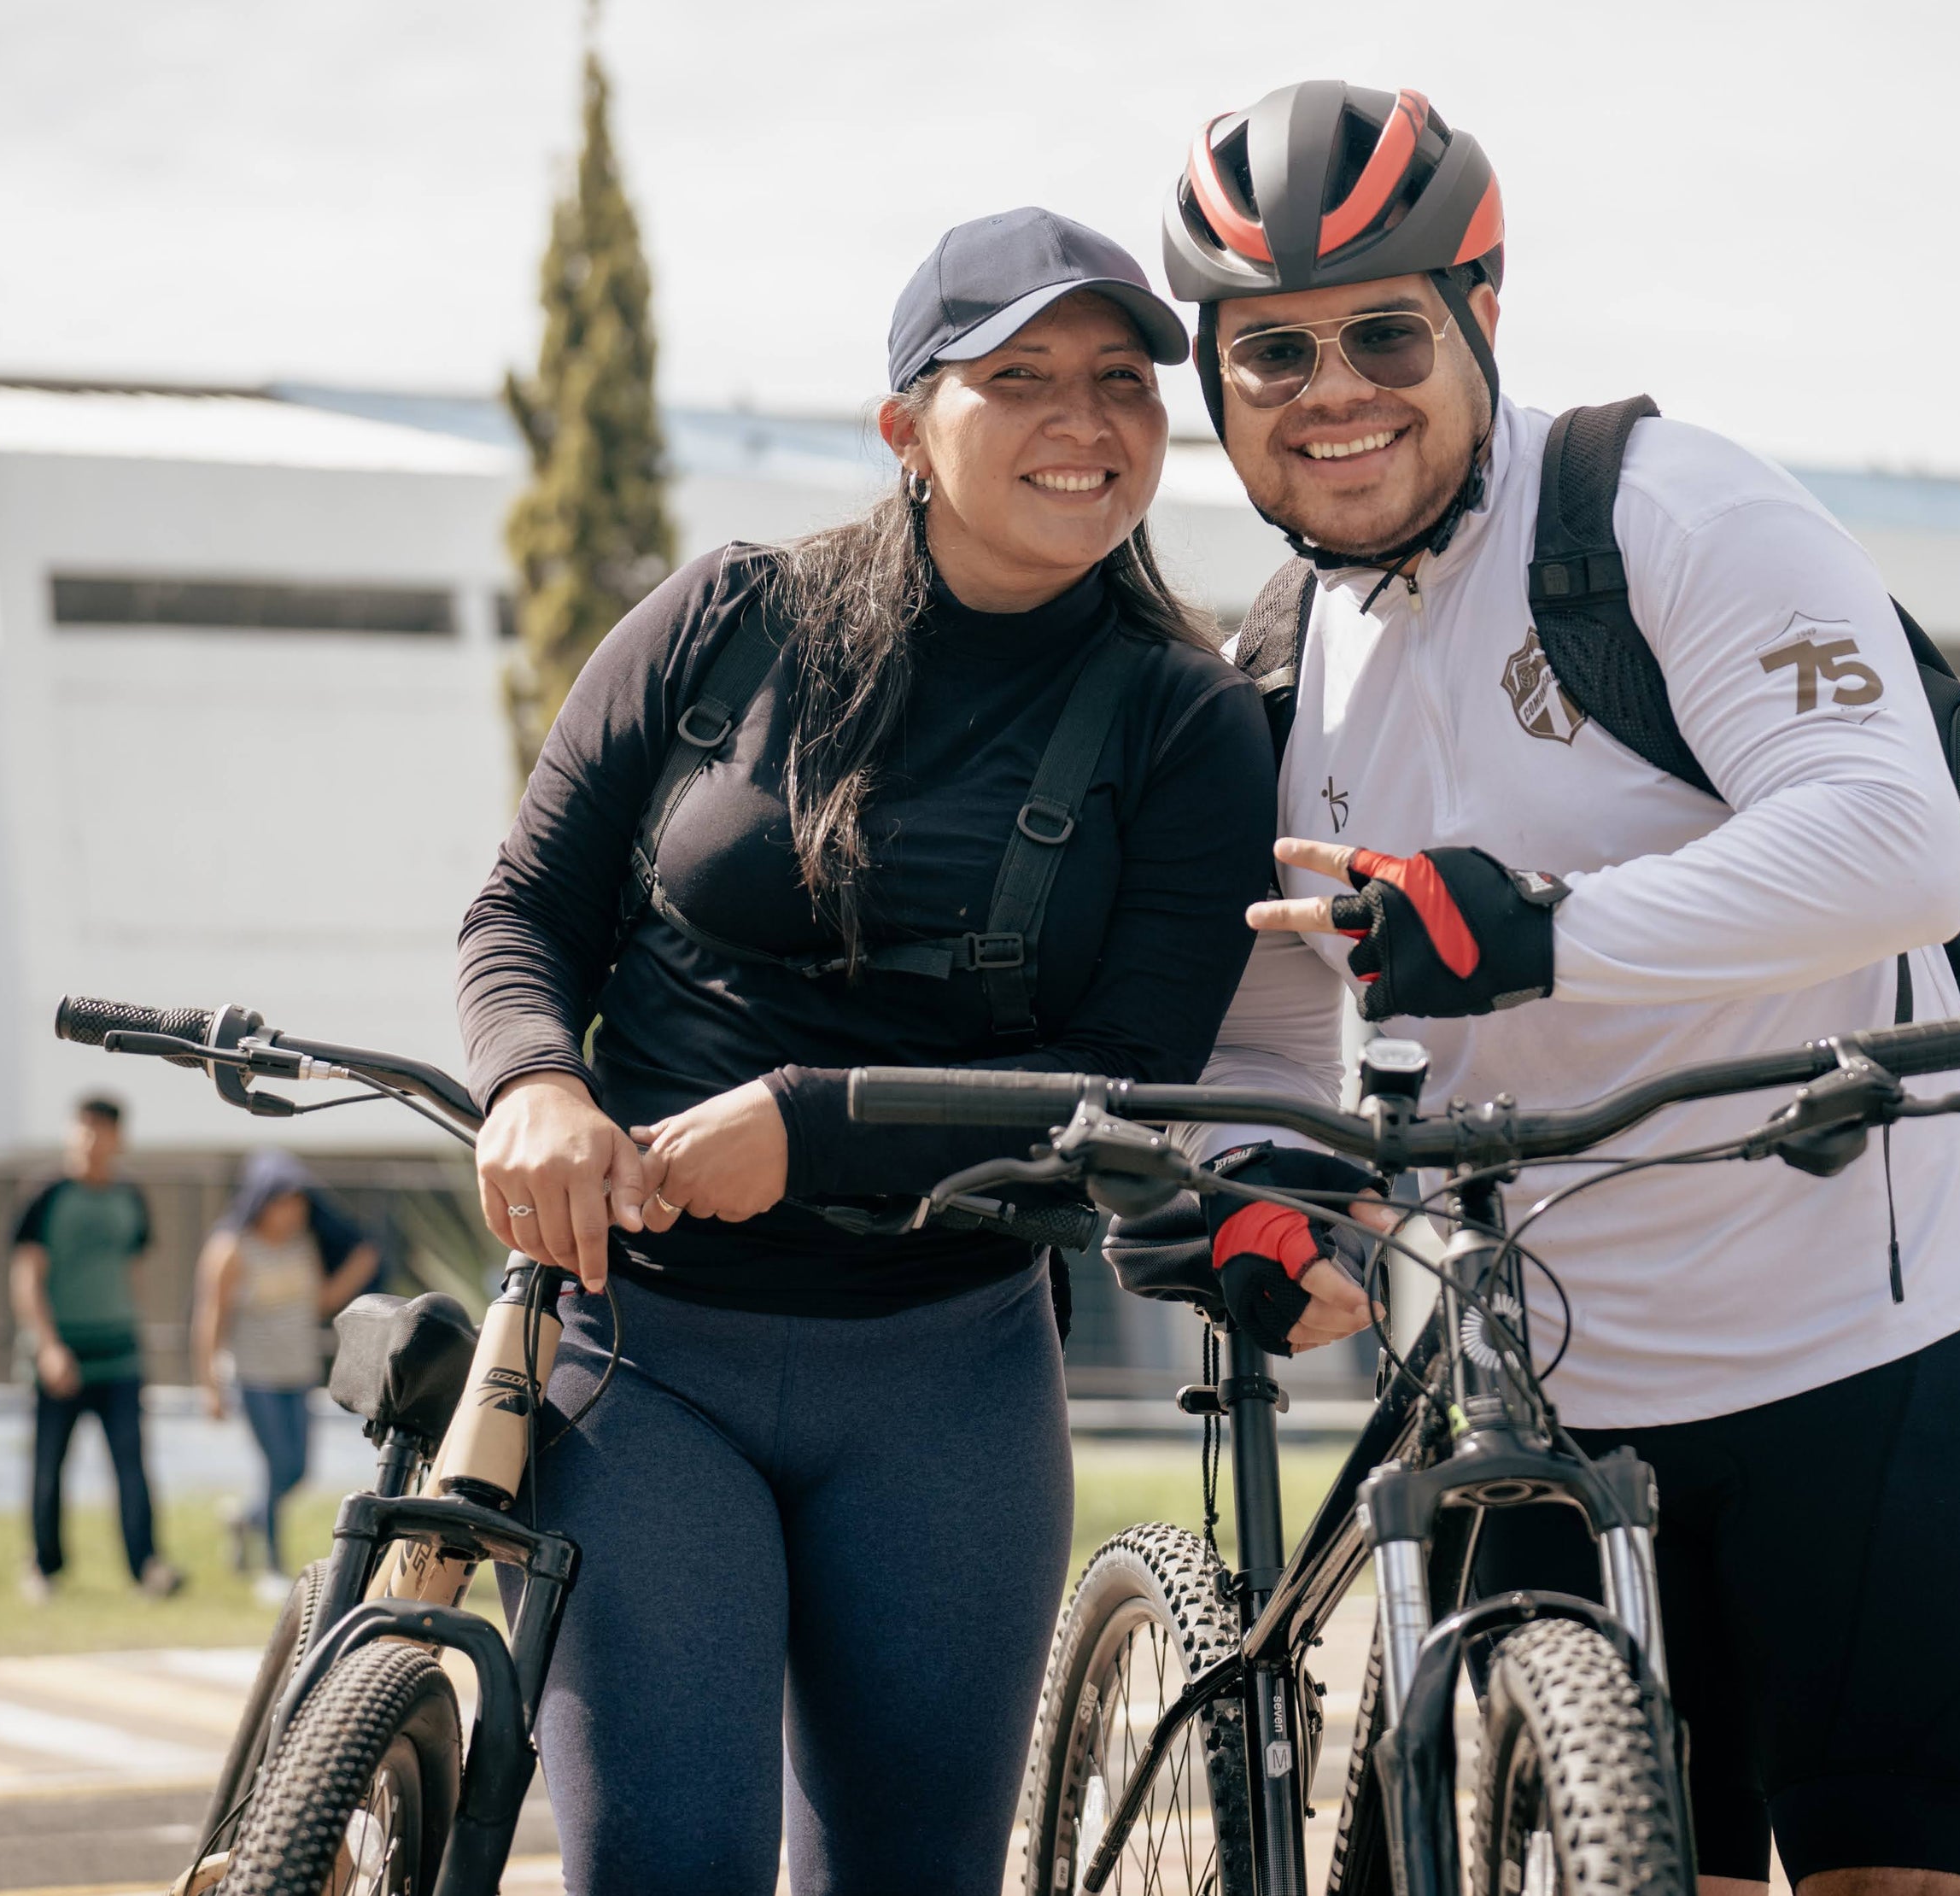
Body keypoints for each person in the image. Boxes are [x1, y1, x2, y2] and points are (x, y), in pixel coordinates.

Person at [1161, 83, 1960, 1894]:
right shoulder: (1279, 657)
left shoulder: (1666, 513)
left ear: (1481, 314)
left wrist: (1538, 926)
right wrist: (1279, 1188)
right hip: (1539, 1378)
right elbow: (1287, 996)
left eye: (1383, 332)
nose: (1332, 390)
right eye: (1271, 355)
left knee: (1899, 1875)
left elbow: (1897, 846)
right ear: (1218, 382)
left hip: (1856, 1340)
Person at [456, 208, 1276, 1893]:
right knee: (671, 1862)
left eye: (1124, 382)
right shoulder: (724, 622)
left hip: (947, 1372)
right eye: (1023, 376)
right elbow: (522, 907)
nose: (1087, 420)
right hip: (644, 1352)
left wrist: (809, 1128)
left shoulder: (1185, 722)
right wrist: (533, 1081)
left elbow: (1129, 1087)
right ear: (906, 423)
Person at [10, 1095, 180, 1601]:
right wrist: (48, 1347)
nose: (90, 1138)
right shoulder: (46, 1196)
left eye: (101, 1129)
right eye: (82, 1127)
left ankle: (146, 1566)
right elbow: (27, 1277)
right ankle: (44, 1567)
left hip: (120, 1356)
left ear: (118, 1138)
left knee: (132, 1465)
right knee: (48, 1466)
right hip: (63, 1356)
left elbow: (133, 1271)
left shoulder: (130, 1198)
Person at [193, 1150, 377, 1601]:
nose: (293, 1212)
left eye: (299, 1203)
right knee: (277, 1465)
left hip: (297, 1371)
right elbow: (210, 1318)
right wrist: (210, 1386)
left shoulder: (303, 1243)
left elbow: (320, 1300)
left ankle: (247, 1517)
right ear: (262, 1202)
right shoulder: (232, 1247)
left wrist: (360, 1267)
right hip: (255, 1374)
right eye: (284, 1202)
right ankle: (271, 1564)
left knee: (298, 1470)